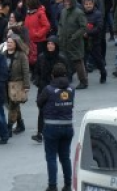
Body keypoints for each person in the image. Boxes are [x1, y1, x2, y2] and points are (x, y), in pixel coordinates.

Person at [37, 63, 74, 191]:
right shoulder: (71, 89)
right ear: (65, 74)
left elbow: (39, 102)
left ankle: (52, 186)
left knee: (51, 157)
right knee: (65, 157)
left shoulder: (48, 89)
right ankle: (68, 185)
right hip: (68, 126)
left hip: (52, 126)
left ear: (52, 75)